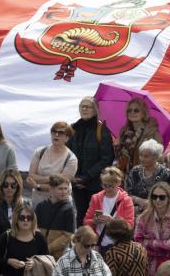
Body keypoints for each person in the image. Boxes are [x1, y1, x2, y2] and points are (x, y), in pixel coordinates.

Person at [67, 96, 114, 227]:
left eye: (88, 106)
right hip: (77, 182)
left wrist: (87, 177)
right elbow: (67, 154)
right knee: (80, 214)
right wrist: (75, 178)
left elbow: (106, 158)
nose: (85, 109)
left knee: (95, 216)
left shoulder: (101, 129)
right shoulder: (73, 128)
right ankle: (80, 244)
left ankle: (94, 245)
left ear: (95, 110)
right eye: (82, 106)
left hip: (94, 182)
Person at [0, 169, 30, 271]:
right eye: (6, 185)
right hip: (0, 254)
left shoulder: (25, 203)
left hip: (21, 255)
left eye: (13, 185)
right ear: (0, 185)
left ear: (18, 186)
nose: (9, 188)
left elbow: (31, 231)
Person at [134, 182, 170, 275]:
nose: (157, 200)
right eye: (154, 196)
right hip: (147, 266)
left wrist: (150, 243)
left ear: (169, 198)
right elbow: (138, 242)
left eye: (162, 197)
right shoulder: (143, 217)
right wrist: (163, 247)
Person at [83, 166, 135, 256]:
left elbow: (130, 225)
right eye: (104, 185)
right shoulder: (96, 198)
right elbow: (86, 221)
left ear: (118, 183)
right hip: (99, 244)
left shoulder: (126, 200)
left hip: (118, 244)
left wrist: (113, 222)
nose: (107, 188)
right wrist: (94, 221)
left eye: (111, 186)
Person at [27, 121, 77, 207]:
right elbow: (31, 176)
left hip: (60, 203)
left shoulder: (71, 159)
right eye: (54, 131)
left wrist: (38, 186)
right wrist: (53, 179)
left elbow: (61, 186)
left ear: (67, 138)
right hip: (38, 201)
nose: (56, 135)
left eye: (61, 133)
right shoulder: (39, 152)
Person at [0, 204, 49, 276]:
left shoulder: (39, 237)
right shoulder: (6, 236)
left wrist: (34, 263)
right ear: (16, 219)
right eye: (22, 217)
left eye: (29, 218)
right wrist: (8, 261)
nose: (26, 220)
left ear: (33, 220)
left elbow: (46, 258)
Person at [115, 98, 162, 174]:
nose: (132, 112)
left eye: (136, 110)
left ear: (143, 113)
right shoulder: (124, 132)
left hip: (142, 174)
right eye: (129, 110)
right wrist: (116, 146)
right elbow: (119, 156)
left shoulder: (152, 133)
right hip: (124, 175)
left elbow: (158, 158)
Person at [35, 174, 76, 260]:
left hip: (58, 255)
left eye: (66, 188)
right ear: (51, 189)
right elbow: (34, 229)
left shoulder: (68, 209)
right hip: (38, 252)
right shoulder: (41, 206)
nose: (64, 191)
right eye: (60, 189)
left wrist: (49, 248)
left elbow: (68, 235)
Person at [125, 139, 170, 214]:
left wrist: (151, 204)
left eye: (146, 156)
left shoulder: (165, 173)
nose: (142, 159)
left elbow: (168, 197)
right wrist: (138, 200)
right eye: (141, 155)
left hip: (157, 213)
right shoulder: (135, 171)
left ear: (156, 157)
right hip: (134, 212)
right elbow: (126, 194)